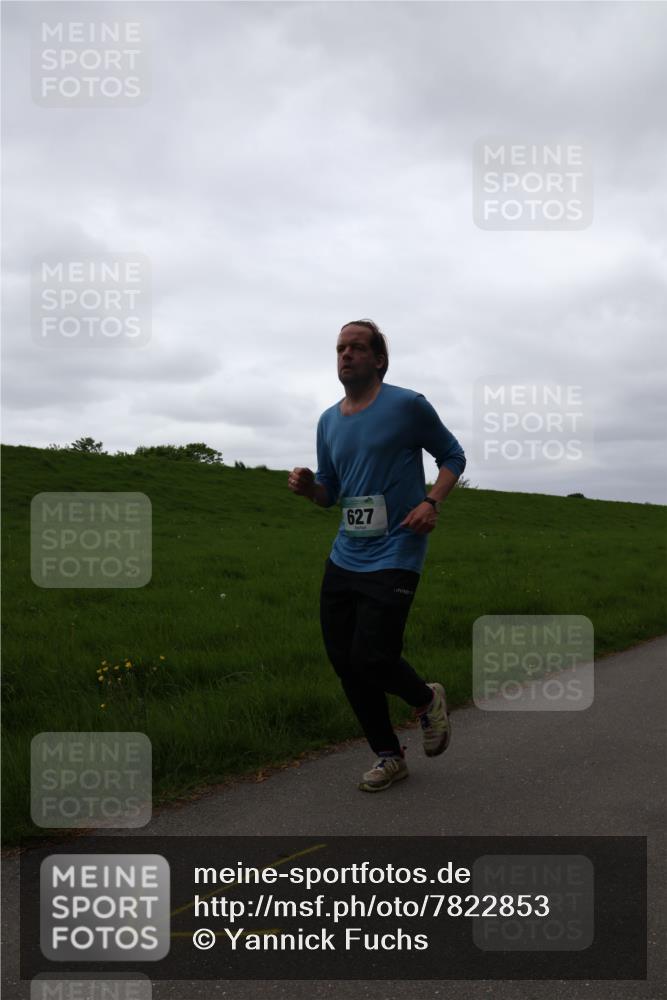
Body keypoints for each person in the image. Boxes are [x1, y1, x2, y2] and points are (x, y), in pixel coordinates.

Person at [288, 319, 466, 792]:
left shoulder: (408, 405)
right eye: (340, 348)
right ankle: (388, 755)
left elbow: (453, 456)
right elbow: (332, 494)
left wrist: (432, 503)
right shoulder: (328, 421)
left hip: (397, 549)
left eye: (357, 348)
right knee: (345, 660)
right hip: (346, 554)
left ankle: (425, 700)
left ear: (379, 359)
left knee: (371, 655)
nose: (346, 355)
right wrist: (311, 490)